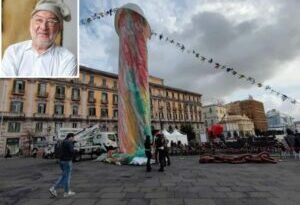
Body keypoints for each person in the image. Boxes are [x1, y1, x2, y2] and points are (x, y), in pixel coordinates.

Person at [0, 0, 77, 77]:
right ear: (31, 23)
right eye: (39, 20)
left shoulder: (67, 59)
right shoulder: (13, 52)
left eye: (51, 21)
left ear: (59, 28)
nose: (43, 27)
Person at [49, 133, 75, 197]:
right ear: (70, 137)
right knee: (66, 177)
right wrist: (74, 150)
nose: (73, 139)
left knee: (64, 176)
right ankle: (54, 188)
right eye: (73, 138)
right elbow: (72, 151)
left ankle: (66, 191)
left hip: (61, 161)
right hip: (67, 161)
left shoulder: (63, 142)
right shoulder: (69, 142)